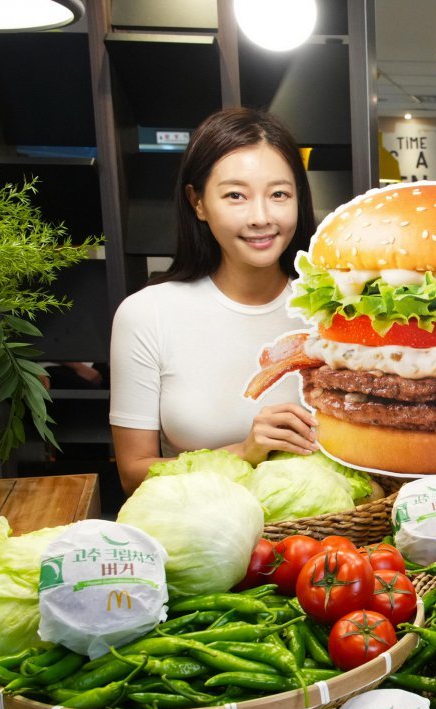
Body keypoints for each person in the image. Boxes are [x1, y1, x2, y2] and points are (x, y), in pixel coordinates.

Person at [109, 107, 320, 495]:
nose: (261, 217)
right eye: (235, 195)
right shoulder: (147, 314)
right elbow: (133, 473)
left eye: (279, 194)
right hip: (201, 543)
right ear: (198, 202)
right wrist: (243, 453)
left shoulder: (333, 313)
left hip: (325, 543)